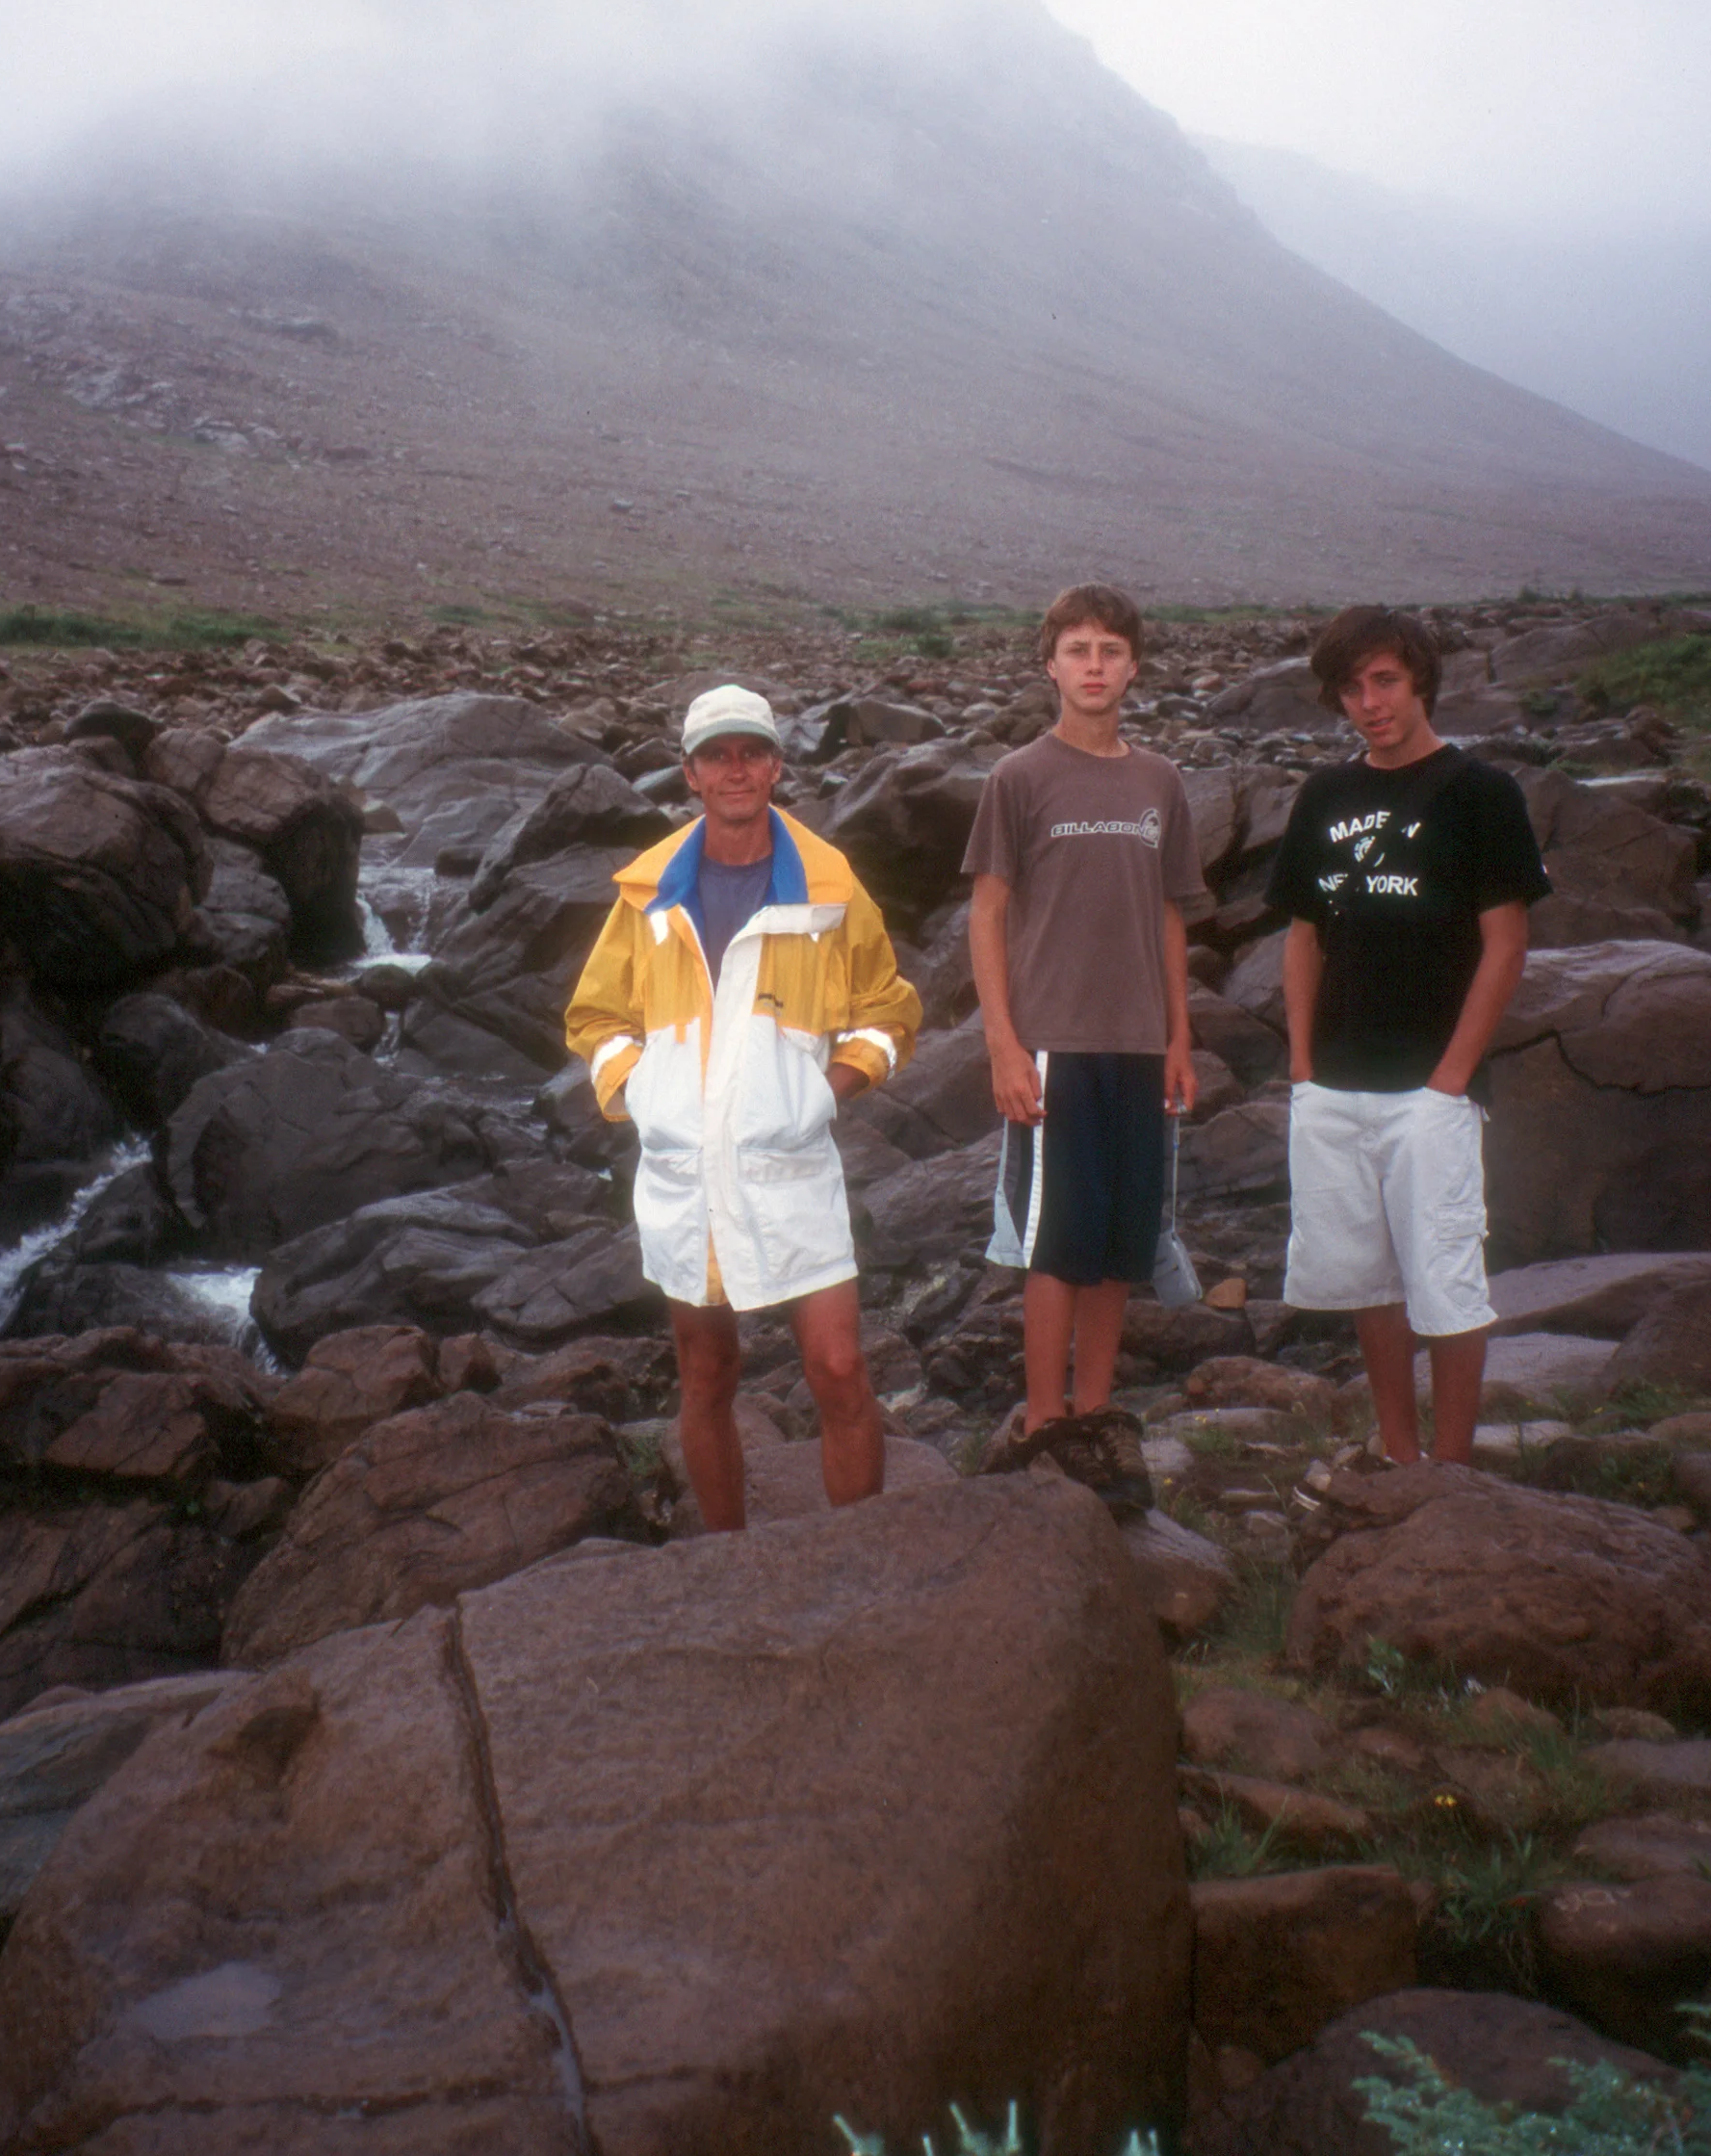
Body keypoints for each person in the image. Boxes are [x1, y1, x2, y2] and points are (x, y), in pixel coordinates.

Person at [566, 681, 921, 1532]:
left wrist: (822, 1093)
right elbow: (595, 1018)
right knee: (706, 1374)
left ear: (775, 765)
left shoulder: (829, 889)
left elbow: (890, 1010)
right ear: (689, 773)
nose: (736, 770)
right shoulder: (645, 896)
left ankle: (858, 1556)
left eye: (751, 753)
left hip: (791, 1163)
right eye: (716, 756)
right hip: (686, 1171)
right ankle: (728, 1560)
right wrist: (646, 1096)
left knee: (838, 1368)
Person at [1266, 605, 1549, 1465]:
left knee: (1448, 1284)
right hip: (1337, 1084)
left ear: (1420, 678)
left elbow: (1506, 943)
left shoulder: (1481, 795)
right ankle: (1398, 1455)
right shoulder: (1326, 795)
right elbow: (1304, 935)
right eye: (1350, 688)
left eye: (1384, 680)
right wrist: (1305, 1069)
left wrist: (1451, 1079)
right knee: (1368, 1285)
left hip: (1432, 1088)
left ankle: (1452, 1475)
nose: (1368, 702)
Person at [964, 583, 1208, 1507]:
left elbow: (1170, 917)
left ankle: (1098, 1419)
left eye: (1111, 650)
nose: (1095, 666)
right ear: (1050, 664)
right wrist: (1002, 1045)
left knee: (1119, 1244)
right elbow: (986, 915)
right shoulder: (1018, 779)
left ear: (1134, 665)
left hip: (1140, 1044)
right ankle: (1045, 1424)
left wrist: (1180, 1036)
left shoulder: (1160, 782)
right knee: (1054, 1247)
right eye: (1078, 650)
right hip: (1054, 1042)